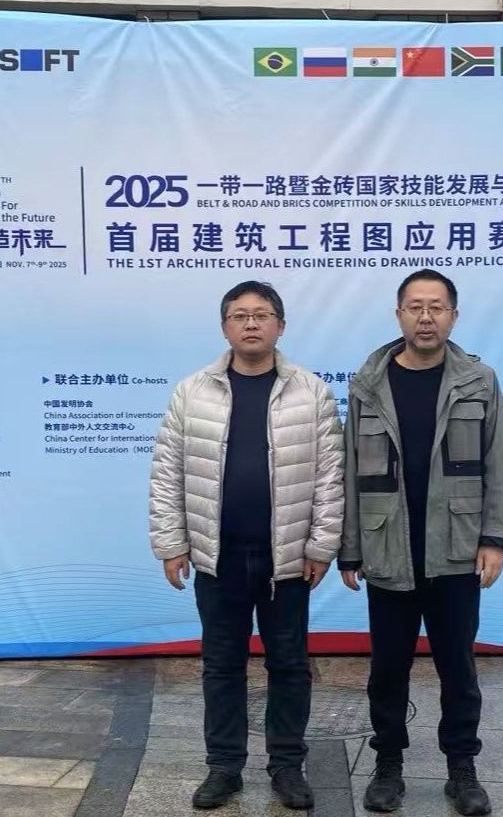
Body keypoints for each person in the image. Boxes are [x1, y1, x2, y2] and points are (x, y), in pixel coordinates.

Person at [149, 281, 345, 810]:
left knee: (290, 665)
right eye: (240, 315)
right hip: (219, 557)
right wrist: (172, 542)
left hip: (287, 559)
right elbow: (168, 474)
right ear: (225, 327)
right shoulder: (192, 392)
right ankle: (224, 767)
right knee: (221, 665)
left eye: (262, 314)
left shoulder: (311, 392)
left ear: (281, 326)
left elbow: (330, 477)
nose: (251, 323)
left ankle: (287, 766)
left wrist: (321, 546)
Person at [338, 269, 503, 816]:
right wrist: (349, 548)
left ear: (454, 316)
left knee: (457, 668)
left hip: (455, 551)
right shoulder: (369, 383)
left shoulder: (478, 381)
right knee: (387, 669)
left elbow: (496, 464)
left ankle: (462, 769)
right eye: (415, 306)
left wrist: (494, 538)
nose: (426, 316)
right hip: (387, 548)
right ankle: (388, 765)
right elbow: (350, 470)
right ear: (399, 315)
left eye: (437, 307)